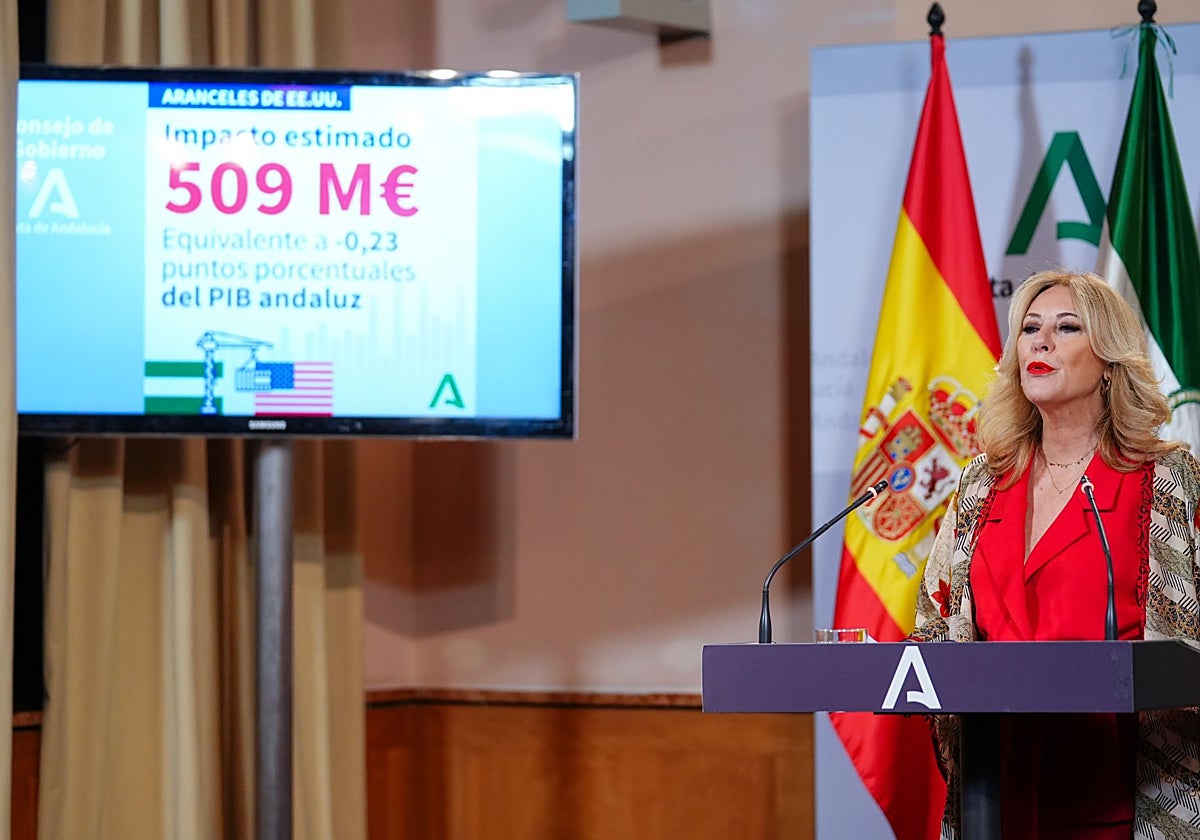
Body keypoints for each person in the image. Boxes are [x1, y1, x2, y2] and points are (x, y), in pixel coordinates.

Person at [911, 269, 1200, 839]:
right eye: (1029, 329)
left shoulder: (1163, 480)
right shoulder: (981, 484)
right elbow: (935, 627)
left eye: (1066, 328)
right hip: (995, 796)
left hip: (1124, 797)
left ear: (1110, 363)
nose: (1040, 342)